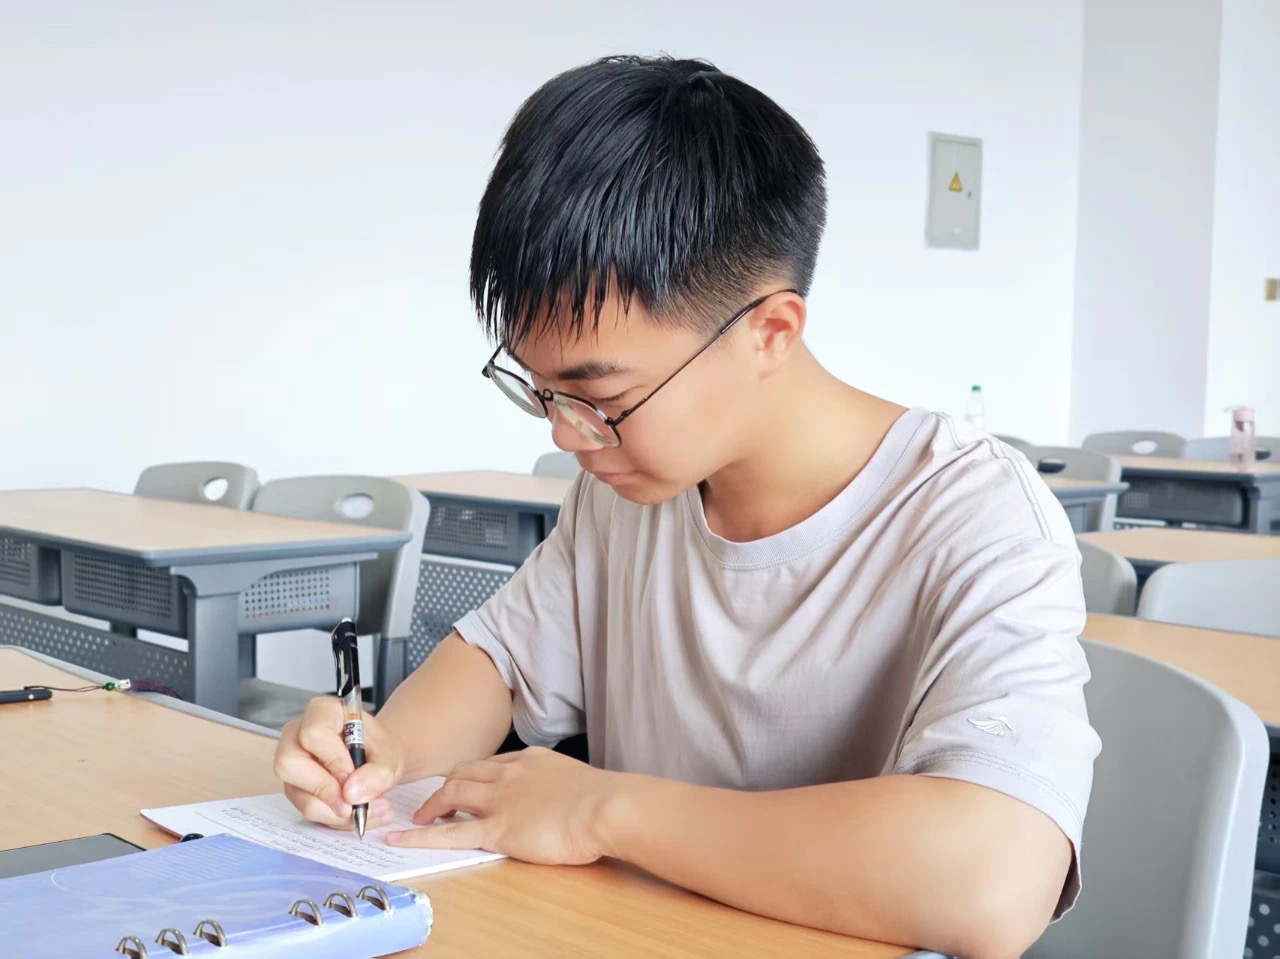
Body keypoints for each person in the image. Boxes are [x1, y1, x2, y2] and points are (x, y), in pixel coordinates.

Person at [274, 55, 1099, 958]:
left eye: (601, 395)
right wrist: (380, 749)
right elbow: (499, 662)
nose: (568, 435)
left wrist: (603, 809)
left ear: (770, 332)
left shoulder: (975, 514)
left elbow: (993, 878)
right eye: (542, 391)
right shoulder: (627, 490)